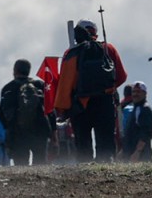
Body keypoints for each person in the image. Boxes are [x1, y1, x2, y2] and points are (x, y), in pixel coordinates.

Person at [53, 19, 127, 163]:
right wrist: (108, 89)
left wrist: (63, 109)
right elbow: (121, 76)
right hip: (105, 101)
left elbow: (65, 82)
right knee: (105, 140)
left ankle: (85, 169)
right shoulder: (108, 48)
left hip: (80, 103)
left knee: (83, 143)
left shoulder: (71, 52)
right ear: (95, 33)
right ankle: (105, 167)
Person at [0, 59, 53, 166]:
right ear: (29, 70)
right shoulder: (39, 85)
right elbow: (50, 109)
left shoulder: (8, 88)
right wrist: (53, 130)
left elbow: (2, 114)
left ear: (15, 70)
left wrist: (9, 130)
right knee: (40, 164)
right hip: (39, 129)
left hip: (17, 132)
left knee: (21, 166)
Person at [120, 81, 152, 163]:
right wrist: (123, 151)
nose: (135, 94)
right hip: (130, 153)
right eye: (133, 92)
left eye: (138, 92)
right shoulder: (136, 108)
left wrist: (137, 152)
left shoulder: (144, 109)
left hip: (141, 155)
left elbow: (146, 133)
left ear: (145, 94)